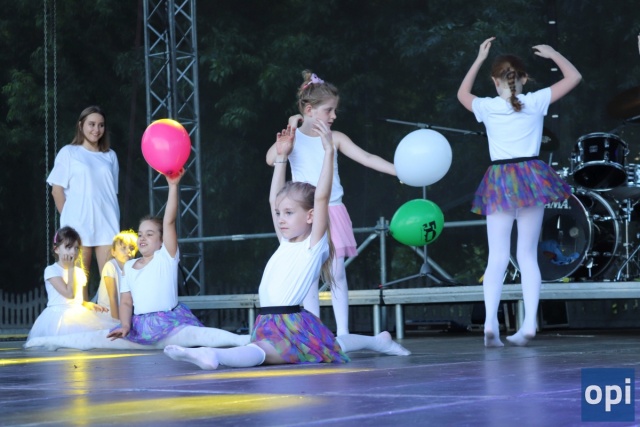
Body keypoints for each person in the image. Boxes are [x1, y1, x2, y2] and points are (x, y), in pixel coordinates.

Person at [164, 124, 409, 370]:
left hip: (289, 321)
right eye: (280, 213)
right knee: (331, 345)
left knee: (262, 352)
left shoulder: (313, 245)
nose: (281, 219)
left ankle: (213, 355)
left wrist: (328, 152)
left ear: (311, 216)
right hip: (269, 319)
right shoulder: (285, 242)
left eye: (289, 213)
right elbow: (274, 199)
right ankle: (379, 341)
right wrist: (281, 157)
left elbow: (321, 197)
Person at [24, 170, 250, 351]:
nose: (142, 238)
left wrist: (173, 186)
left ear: (161, 241)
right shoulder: (130, 266)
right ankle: (43, 341)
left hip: (170, 325)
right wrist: (124, 325)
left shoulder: (166, 257)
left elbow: (169, 221)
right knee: (94, 339)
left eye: (149, 234)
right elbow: (126, 302)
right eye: (140, 234)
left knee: (198, 336)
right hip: (140, 327)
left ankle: (246, 340)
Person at [457, 37, 581, 347]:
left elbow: (461, 94)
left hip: (500, 180)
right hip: (530, 179)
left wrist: (478, 58)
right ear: (524, 78)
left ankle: (490, 323)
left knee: (497, 256)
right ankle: (528, 325)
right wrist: (553, 53)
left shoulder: (488, 107)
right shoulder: (536, 101)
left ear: (495, 81)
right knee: (526, 255)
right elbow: (574, 77)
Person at [265, 71, 396, 337]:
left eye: (334, 110)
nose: (333, 116)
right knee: (309, 276)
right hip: (305, 214)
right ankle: (315, 331)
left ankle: (343, 332)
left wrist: (400, 171)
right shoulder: (294, 139)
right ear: (309, 110)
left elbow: (367, 157)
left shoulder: (335, 138)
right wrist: (291, 129)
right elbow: (272, 158)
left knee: (337, 273)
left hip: (332, 210)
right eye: (329, 110)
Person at [47, 106, 120, 296]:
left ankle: (113, 317)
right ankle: (83, 318)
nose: (96, 129)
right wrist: (71, 218)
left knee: (112, 285)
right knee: (79, 286)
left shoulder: (110, 156)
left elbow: (111, 193)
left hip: (107, 223)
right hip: (78, 225)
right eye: (91, 124)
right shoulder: (69, 152)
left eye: (101, 125)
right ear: (81, 125)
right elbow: (56, 191)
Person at [24, 227, 115, 346]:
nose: (73, 252)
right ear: (57, 249)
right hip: (58, 317)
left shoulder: (78, 271)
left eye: (76, 248)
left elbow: (76, 299)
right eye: (68, 247)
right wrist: (71, 268)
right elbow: (69, 293)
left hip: (78, 313)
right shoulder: (51, 270)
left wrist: (87, 304)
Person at [92, 230, 138, 321]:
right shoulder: (110, 266)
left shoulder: (132, 268)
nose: (128, 251)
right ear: (113, 252)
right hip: (109, 313)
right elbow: (113, 298)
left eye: (132, 248)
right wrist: (117, 321)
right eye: (123, 248)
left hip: (124, 313)